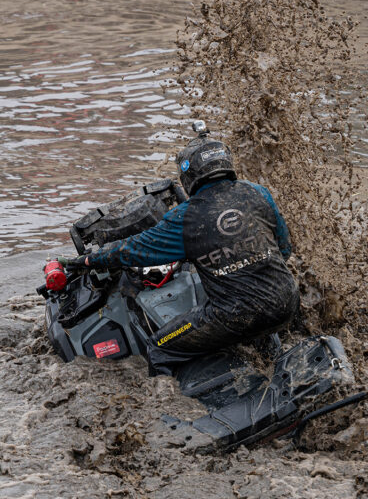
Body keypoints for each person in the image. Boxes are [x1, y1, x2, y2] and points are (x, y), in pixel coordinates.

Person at [71, 122, 300, 374]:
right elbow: (284, 249)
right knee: (257, 318)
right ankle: (275, 369)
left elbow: (133, 250)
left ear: (189, 175)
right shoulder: (258, 193)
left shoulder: (186, 217)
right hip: (286, 301)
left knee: (158, 347)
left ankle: (170, 400)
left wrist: (89, 260)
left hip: (235, 315)